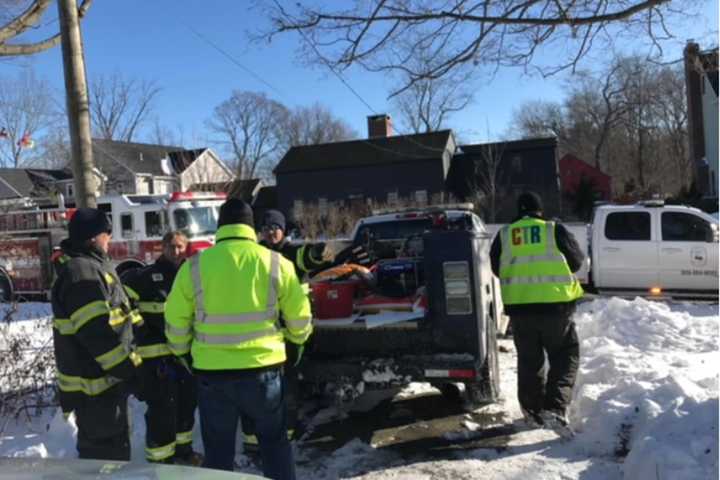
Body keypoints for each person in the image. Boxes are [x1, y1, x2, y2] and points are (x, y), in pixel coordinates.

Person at [165, 199, 312, 479]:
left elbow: (175, 321)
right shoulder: (275, 262)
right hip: (264, 372)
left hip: (213, 376)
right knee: (275, 445)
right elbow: (300, 317)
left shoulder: (194, 266)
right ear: (251, 227)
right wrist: (296, 344)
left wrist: (183, 353)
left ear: (220, 227)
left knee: (218, 452)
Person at [51, 207, 145, 460]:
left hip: (105, 386)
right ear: (94, 237)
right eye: (107, 233)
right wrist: (129, 371)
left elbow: (119, 314)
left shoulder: (94, 266)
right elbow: (96, 334)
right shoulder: (82, 272)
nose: (109, 239)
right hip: (95, 391)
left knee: (112, 456)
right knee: (104, 461)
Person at [490, 192, 584, 437]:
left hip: (521, 310)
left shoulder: (504, 235)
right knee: (565, 355)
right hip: (556, 308)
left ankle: (532, 412)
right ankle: (554, 408)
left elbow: (497, 268)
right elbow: (576, 262)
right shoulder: (554, 230)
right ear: (540, 211)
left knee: (530, 361)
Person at [121, 231, 200, 465]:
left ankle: (184, 452)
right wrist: (140, 327)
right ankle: (160, 462)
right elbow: (121, 300)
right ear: (162, 248)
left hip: (185, 355)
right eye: (171, 247)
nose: (175, 252)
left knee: (187, 405)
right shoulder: (145, 276)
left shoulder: (193, 276)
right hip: (157, 359)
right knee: (162, 411)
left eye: (179, 247)